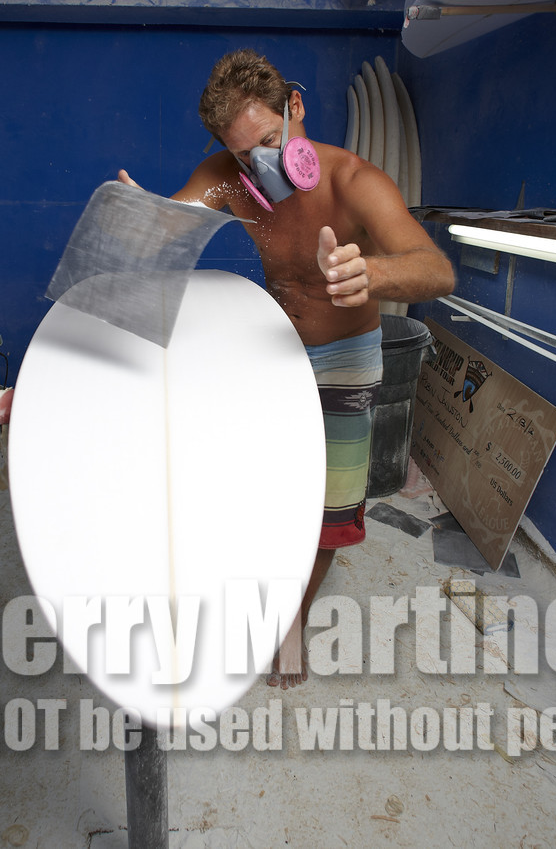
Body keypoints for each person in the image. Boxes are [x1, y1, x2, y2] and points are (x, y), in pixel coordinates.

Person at [120, 49, 457, 687]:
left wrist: (375, 272)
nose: (262, 165)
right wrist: (147, 222)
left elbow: (435, 268)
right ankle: (244, 596)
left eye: (272, 142)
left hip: (344, 360)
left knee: (329, 514)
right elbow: (177, 222)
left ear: (295, 109)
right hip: (273, 353)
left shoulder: (354, 182)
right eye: (245, 154)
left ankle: (292, 619)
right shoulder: (227, 178)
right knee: (254, 491)